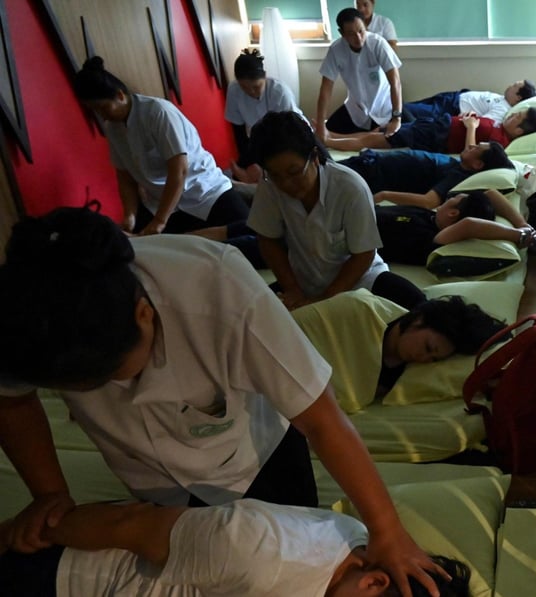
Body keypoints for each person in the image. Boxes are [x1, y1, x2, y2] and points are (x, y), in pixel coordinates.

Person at [0, 205, 445, 596]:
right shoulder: (26, 320)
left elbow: (323, 419)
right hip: (149, 481)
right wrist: (50, 500)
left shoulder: (217, 288)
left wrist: (386, 529)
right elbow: (13, 402)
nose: (111, 390)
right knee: (185, 552)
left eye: (112, 374)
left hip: (255, 455)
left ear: (144, 313)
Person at [0, 498, 469, 597]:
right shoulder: (263, 552)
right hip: (56, 578)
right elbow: (130, 522)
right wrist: (19, 535)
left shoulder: (352, 550)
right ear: (375, 580)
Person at [247, 111, 425, 311]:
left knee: (419, 306)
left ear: (314, 157)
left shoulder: (350, 188)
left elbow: (364, 254)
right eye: (276, 176)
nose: (286, 184)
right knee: (246, 312)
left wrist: (325, 300)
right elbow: (267, 239)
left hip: (360, 281)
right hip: (302, 284)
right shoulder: (269, 185)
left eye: (294, 172)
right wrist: (293, 290)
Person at [72, 57, 255, 250]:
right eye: (94, 110)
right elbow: (125, 177)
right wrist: (130, 216)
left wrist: (160, 221)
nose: (101, 115)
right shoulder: (113, 129)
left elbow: (180, 171)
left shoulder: (158, 112)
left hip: (204, 190)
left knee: (249, 240)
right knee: (146, 252)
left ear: (120, 95)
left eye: (103, 107)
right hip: (161, 200)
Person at [377, 296, 507, 397]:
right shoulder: (375, 313)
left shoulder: (395, 378)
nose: (424, 359)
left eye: (433, 359)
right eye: (427, 347)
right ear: (418, 320)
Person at [376, 189, 536, 266]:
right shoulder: (431, 216)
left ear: (453, 213)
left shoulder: (432, 238)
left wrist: (518, 235)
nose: (449, 198)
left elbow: (469, 225)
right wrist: (523, 225)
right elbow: (490, 194)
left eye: (453, 199)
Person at [338, 142, 515, 209]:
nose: (471, 145)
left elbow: (429, 201)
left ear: (478, 165)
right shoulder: (461, 165)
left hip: (371, 173)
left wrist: (385, 195)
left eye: (477, 148)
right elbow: (470, 148)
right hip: (370, 162)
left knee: (322, 172)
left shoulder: (458, 176)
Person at [317, 8, 403, 139]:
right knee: (323, 133)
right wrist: (320, 125)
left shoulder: (377, 43)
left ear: (365, 27)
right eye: (351, 33)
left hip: (384, 107)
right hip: (356, 108)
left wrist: (396, 118)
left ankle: (371, 134)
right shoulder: (336, 50)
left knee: (399, 135)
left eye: (361, 31)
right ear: (342, 33)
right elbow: (326, 89)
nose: (358, 38)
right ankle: (369, 134)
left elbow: (395, 81)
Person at [225, 48, 303, 183]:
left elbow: (286, 135)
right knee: (240, 173)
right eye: (244, 87)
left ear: (265, 77)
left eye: (256, 87)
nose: (250, 92)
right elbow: (239, 134)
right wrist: (249, 162)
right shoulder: (234, 91)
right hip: (260, 137)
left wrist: (264, 163)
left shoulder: (279, 92)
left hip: (293, 135)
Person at [325, 108, 536, 154]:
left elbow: (471, 151)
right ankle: (334, 137)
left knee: (378, 139)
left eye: (517, 118)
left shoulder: (500, 141)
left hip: (436, 136)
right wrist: (468, 119)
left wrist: (470, 127)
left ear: (520, 131)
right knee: (382, 130)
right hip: (438, 125)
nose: (511, 116)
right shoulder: (499, 127)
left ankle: (329, 142)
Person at [402, 81, 536, 123]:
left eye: (515, 85)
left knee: (404, 109)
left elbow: (483, 123)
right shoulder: (502, 100)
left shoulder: (502, 110)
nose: (510, 85)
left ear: (518, 97)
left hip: (451, 108)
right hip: (451, 98)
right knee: (411, 107)